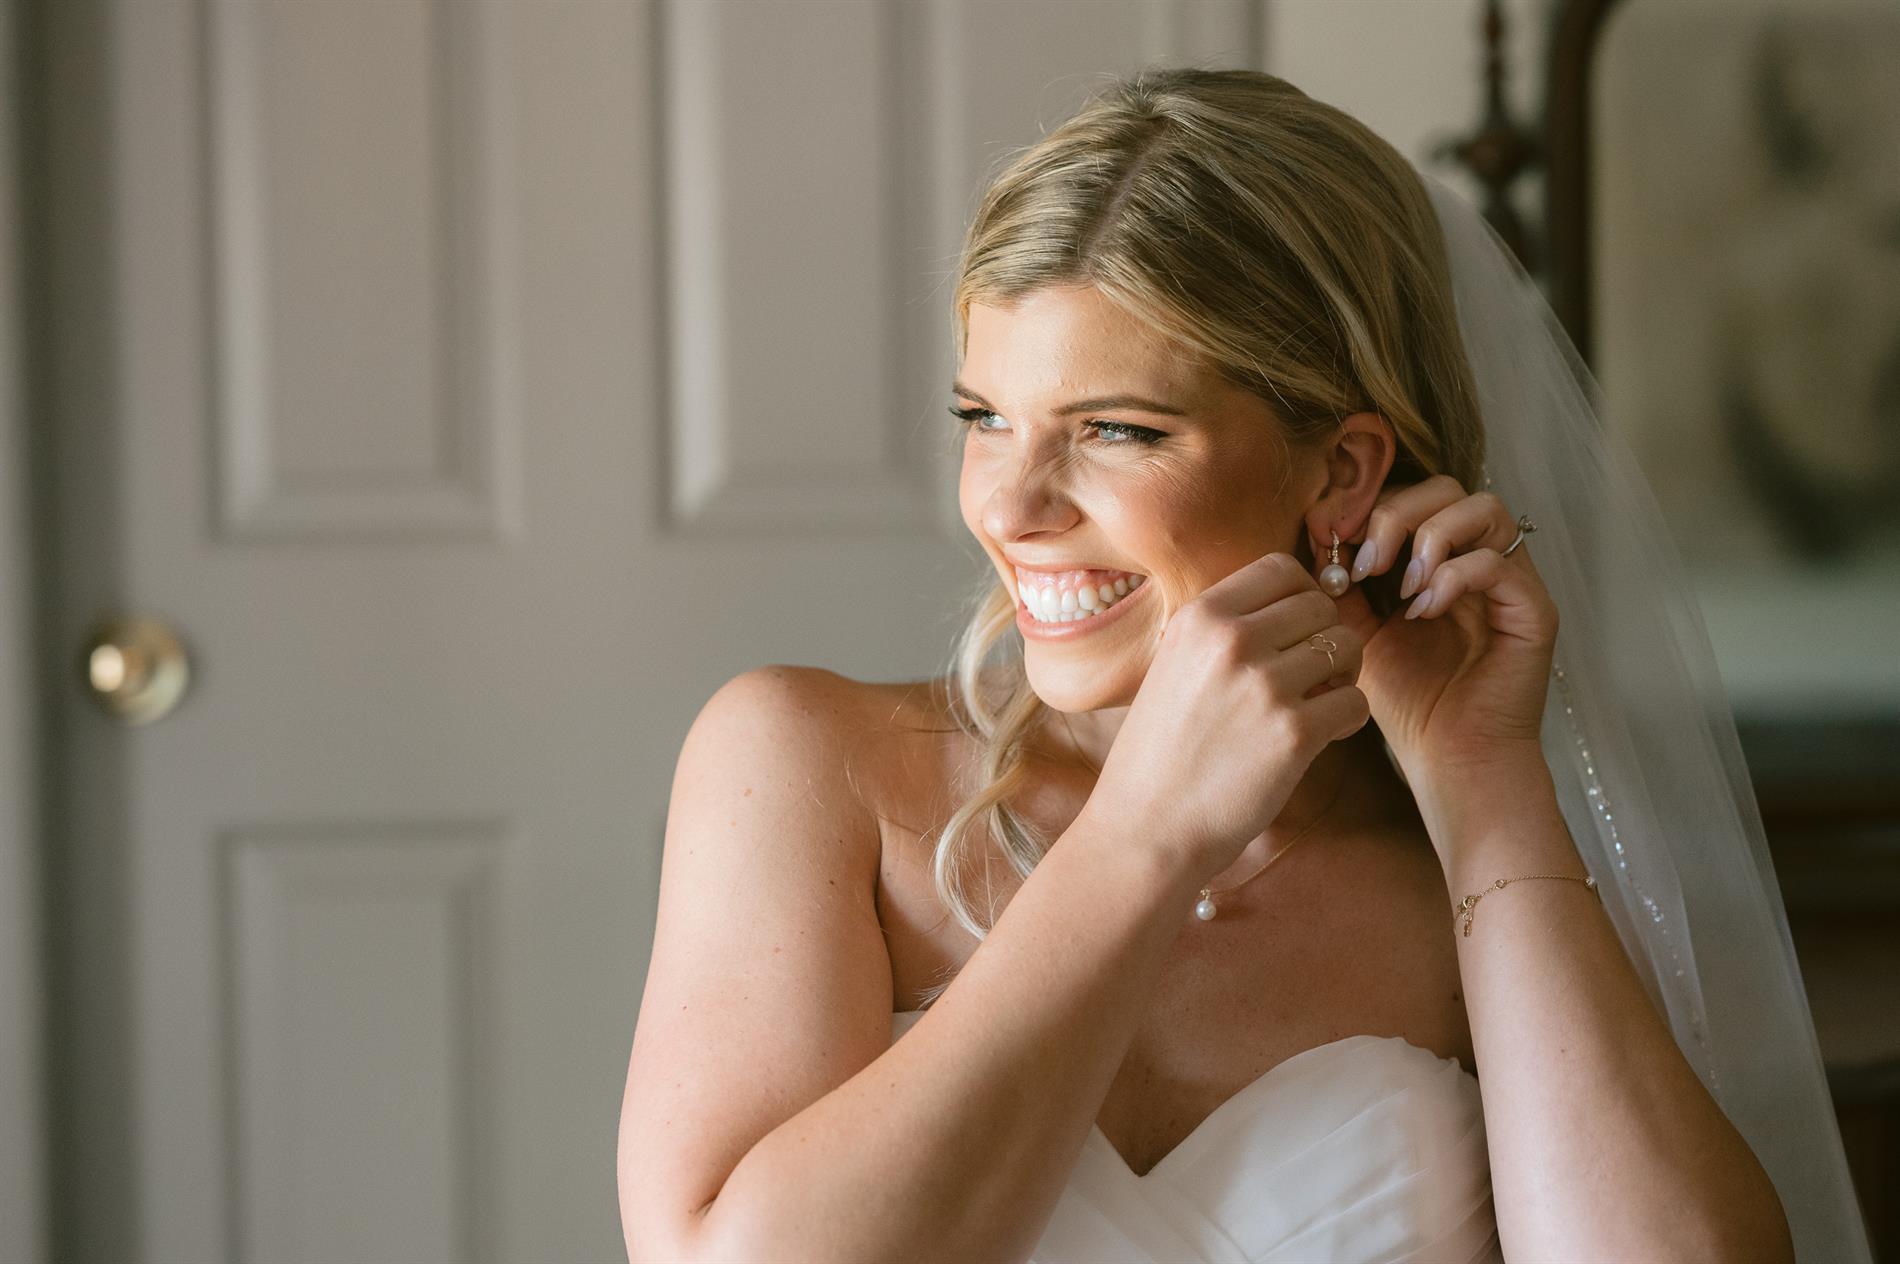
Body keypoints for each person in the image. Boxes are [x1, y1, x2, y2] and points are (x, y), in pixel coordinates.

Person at [618, 67, 1870, 1263]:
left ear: (1342, 471)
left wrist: (1482, 783)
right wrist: (1145, 832)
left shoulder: (1462, 860)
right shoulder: (803, 762)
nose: (1009, 506)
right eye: (984, 418)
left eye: (1116, 430)